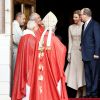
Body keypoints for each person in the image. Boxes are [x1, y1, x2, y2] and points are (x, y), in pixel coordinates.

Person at [29, 11, 68, 100]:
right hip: (52, 70)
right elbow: (62, 50)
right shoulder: (54, 39)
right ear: (53, 27)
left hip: (41, 71)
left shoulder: (40, 39)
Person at [12, 20, 39, 100]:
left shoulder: (24, 37)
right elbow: (34, 55)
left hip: (22, 65)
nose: (37, 29)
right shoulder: (31, 39)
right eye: (37, 27)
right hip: (29, 66)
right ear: (34, 28)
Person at [65, 10, 86, 98]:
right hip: (73, 52)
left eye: (76, 17)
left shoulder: (84, 26)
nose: (74, 19)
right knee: (75, 72)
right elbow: (70, 41)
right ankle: (78, 91)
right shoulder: (70, 27)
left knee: (82, 72)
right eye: (73, 17)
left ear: (80, 17)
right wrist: (69, 54)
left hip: (82, 52)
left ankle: (84, 91)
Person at [80, 8, 100, 98]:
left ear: (86, 15)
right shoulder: (84, 25)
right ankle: (88, 93)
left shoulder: (95, 24)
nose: (80, 16)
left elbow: (98, 40)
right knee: (87, 74)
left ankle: (94, 93)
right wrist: (81, 46)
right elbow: (84, 38)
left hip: (93, 55)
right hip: (85, 54)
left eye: (81, 15)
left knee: (94, 74)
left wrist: (97, 53)